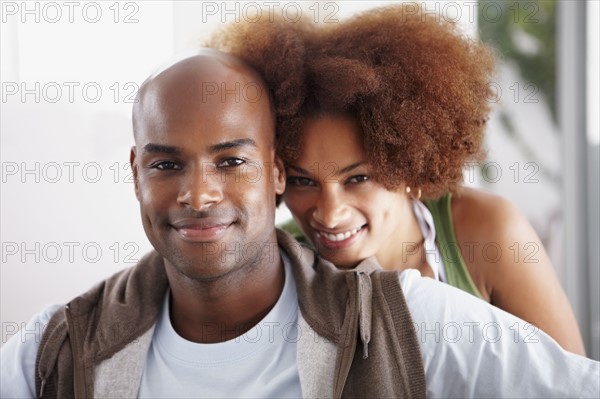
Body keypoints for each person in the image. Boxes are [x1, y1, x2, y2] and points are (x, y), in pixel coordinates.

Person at [1, 49, 599, 399]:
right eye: (166, 163)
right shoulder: (57, 348)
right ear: (136, 172)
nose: (199, 194)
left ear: (271, 173)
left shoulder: (408, 318)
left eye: (231, 161)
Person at [211, 4, 586, 355]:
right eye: (302, 181)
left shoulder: (487, 231)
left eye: (358, 178)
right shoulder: (276, 265)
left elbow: (574, 385)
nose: (329, 213)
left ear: (408, 165)